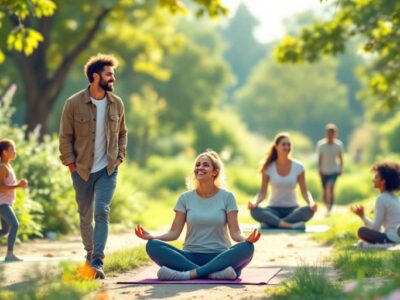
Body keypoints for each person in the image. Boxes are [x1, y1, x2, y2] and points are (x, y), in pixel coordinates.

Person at [135, 150, 260, 280]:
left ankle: (189, 274)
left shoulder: (227, 197)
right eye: (197, 165)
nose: (199, 167)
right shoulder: (185, 198)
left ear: (214, 172)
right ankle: (213, 274)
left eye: (205, 165)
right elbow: (174, 233)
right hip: (190, 256)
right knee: (153, 245)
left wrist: (246, 239)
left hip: (220, 256)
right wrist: (153, 236)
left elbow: (235, 233)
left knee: (247, 248)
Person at [59, 54, 127, 279]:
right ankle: (89, 254)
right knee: (85, 214)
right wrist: (71, 164)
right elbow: (65, 136)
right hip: (81, 169)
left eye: (113, 74)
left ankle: (98, 260)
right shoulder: (73, 103)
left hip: (108, 169)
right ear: (95, 76)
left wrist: (120, 156)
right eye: (109, 74)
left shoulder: (116, 103)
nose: (113, 78)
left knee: (102, 210)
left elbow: (123, 133)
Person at [248, 132, 317, 230]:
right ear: (276, 146)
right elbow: (262, 192)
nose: (287, 147)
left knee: (309, 211)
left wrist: (311, 203)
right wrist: (254, 203)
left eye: (289, 144)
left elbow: (305, 192)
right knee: (254, 211)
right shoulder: (268, 168)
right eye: (284, 144)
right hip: (273, 209)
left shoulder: (299, 167)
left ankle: (271, 223)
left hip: (292, 210)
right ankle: (290, 225)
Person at [350, 162, 400, 244]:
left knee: (361, 231)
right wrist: (362, 216)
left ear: (383, 181)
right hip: (396, 235)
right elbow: (378, 228)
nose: (373, 179)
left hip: (391, 238)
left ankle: (383, 243)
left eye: (376, 177)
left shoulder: (381, 199)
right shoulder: (396, 198)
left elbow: (376, 229)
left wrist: (363, 217)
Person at [0, 139, 28, 262]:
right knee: (15, 225)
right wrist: (18, 186)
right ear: (5, 152)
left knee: (5, 230)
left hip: (7, 203)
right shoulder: (2, 167)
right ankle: (9, 254)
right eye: (12, 149)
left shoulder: (8, 166)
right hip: (2, 203)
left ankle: (10, 254)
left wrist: (18, 185)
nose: (15, 151)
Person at [317, 123, 344, 215]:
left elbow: (340, 158)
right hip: (324, 170)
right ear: (326, 133)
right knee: (325, 189)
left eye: (332, 133)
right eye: (329, 132)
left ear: (335, 134)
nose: (331, 135)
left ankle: (330, 207)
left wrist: (341, 168)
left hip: (334, 170)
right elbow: (319, 158)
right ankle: (326, 204)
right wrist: (319, 169)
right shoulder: (321, 145)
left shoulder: (339, 145)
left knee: (330, 187)